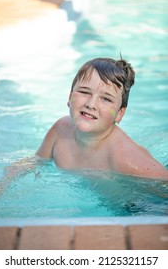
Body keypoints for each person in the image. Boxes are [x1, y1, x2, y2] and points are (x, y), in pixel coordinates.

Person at [35, 57, 167, 178]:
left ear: (120, 113)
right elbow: (35, 162)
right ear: (70, 97)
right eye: (85, 92)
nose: (91, 104)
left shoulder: (125, 159)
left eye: (105, 99)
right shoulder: (61, 129)